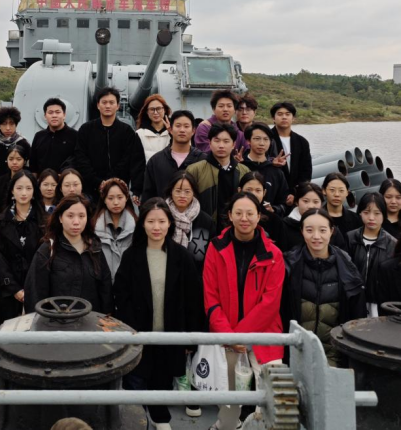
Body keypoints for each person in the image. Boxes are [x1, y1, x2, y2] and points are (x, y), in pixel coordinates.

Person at [113, 198, 205, 430]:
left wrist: (191, 337)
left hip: (171, 332)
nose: (156, 227)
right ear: (142, 224)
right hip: (139, 332)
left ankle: (159, 415)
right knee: (136, 378)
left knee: (163, 376)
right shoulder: (131, 256)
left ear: (169, 224)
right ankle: (136, 416)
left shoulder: (182, 256)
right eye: (151, 221)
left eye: (162, 221)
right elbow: (121, 294)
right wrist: (130, 326)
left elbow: (193, 297)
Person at [203, 192, 285, 430]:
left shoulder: (273, 254)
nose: (244, 218)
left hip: (264, 334)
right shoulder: (216, 248)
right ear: (230, 215)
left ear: (259, 216)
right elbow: (210, 297)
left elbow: (270, 304)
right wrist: (230, 336)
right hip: (227, 334)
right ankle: (226, 426)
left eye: (250, 213)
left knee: (271, 399)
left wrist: (241, 335)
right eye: (238, 213)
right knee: (228, 402)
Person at [282, 208, 366, 366]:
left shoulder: (348, 268)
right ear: (301, 231)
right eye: (309, 230)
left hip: (334, 354)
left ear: (331, 231)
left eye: (322, 230)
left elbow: (357, 316)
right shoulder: (288, 265)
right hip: (296, 351)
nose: (316, 236)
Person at [24, 195, 113, 314]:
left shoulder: (95, 248)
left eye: (81, 216)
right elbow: (35, 292)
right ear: (60, 218)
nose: (76, 222)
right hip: (56, 321)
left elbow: (105, 288)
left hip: (90, 321)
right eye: (70, 216)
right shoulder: (48, 250)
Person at [0, 171, 47, 324]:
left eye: (28, 188)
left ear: (34, 191)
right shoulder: (1, 222)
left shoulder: (43, 222)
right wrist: (14, 289)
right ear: (12, 191)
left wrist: (32, 288)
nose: (24, 193)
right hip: (8, 291)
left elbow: (45, 257)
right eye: (19, 188)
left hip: (38, 290)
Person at [72, 87, 146, 202]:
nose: (107, 106)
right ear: (98, 105)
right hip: (91, 190)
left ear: (118, 106)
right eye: (104, 102)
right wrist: (98, 182)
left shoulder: (127, 132)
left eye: (111, 102)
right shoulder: (86, 130)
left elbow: (133, 160)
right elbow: (81, 158)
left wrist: (114, 182)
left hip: (119, 189)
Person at [186, 123, 249, 231]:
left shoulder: (244, 171)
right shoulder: (194, 170)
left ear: (233, 144)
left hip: (236, 230)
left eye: (226, 141)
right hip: (203, 229)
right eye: (217, 140)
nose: (221, 145)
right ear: (209, 143)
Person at [347, 193, 397, 317]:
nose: (371, 218)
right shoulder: (350, 238)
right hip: (353, 299)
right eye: (366, 212)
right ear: (360, 213)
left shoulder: (392, 243)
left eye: (377, 213)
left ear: (384, 215)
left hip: (378, 302)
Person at [141, 110, 205, 203]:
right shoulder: (155, 161)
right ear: (170, 129)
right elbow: (148, 197)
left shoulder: (203, 160)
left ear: (193, 131)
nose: (182, 130)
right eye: (178, 126)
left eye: (186, 126)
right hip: (163, 212)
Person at [164, 171, 217, 276]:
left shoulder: (206, 221)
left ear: (194, 192)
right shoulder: (162, 216)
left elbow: (211, 257)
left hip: (196, 277)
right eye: (178, 191)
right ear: (171, 191)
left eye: (187, 191)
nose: (182, 195)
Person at [274, 182, 349, 253]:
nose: (310, 206)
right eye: (305, 201)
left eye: (316, 202)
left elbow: (342, 255)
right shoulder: (284, 227)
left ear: (321, 203)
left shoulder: (330, 227)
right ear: (297, 202)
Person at [92, 178, 137, 282]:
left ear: (126, 198)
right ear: (104, 200)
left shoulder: (137, 227)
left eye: (120, 197)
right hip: (103, 283)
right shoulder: (93, 227)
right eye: (110, 198)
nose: (116, 202)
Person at [269, 102, 312, 206]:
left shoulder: (302, 142)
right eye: (280, 114)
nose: (284, 117)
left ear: (293, 118)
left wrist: (296, 193)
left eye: (287, 114)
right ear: (273, 118)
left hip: (294, 195)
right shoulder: (266, 139)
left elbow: (306, 171)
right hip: (271, 193)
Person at [242, 122, 289, 216]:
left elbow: (284, 204)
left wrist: (274, 209)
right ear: (248, 141)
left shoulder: (276, 172)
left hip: (268, 221)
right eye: (257, 139)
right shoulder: (240, 168)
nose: (262, 143)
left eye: (266, 139)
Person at [0, 106, 31, 193]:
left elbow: (30, 169)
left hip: (18, 194)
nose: (8, 128)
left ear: (16, 124)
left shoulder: (24, 144)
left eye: (11, 124)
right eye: (4, 124)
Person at [30, 97, 79, 174]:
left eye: (57, 112)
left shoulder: (75, 136)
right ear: (45, 116)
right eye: (50, 112)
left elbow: (78, 161)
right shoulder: (38, 136)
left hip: (66, 180)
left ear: (64, 115)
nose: (54, 115)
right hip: (43, 181)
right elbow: (33, 166)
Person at [193, 89, 248, 155]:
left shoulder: (240, 134)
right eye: (221, 106)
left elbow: (247, 153)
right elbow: (204, 152)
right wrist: (232, 159)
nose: (225, 109)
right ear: (214, 109)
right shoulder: (204, 128)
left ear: (234, 110)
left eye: (229, 106)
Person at [0, 141, 31, 213]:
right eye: (11, 159)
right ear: (7, 160)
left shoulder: (30, 180)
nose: (14, 162)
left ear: (24, 161)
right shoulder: (0, 181)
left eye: (18, 159)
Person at [134, 94, 172, 162]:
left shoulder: (173, 132)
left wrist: (172, 134)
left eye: (159, 109)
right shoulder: (139, 134)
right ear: (147, 112)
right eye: (152, 109)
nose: (155, 112)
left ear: (165, 110)